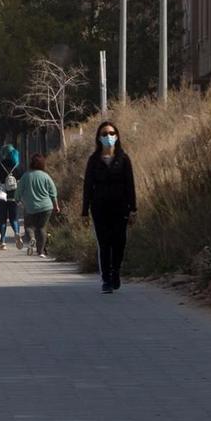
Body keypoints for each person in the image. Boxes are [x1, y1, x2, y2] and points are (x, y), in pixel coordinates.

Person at [80, 120, 138, 293]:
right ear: (99, 138)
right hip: (99, 208)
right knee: (104, 243)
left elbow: (130, 184)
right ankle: (106, 279)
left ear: (117, 136)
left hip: (120, 208)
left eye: (112, 133)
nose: (108, 137)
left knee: (119, 242)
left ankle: (116, 271)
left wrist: (133, 208)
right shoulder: (93, 160)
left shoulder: (123, 159)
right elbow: (88, 186)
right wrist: (84, 211)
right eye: (104, 134)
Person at [19, 152, 60, 257]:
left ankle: (32, 238)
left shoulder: (25, 176)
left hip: (30, 207)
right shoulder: (46, 176)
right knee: (41, 228)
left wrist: (17, 200)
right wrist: (56, 206)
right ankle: (40, 251)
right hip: (46, 207)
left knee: (28, 227)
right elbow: (53, 192)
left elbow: (18, 192)